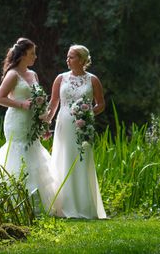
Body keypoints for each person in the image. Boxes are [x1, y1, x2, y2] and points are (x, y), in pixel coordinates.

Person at [0, 37, 58, 214]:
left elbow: (38, 102)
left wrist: (43, 124)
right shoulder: (13, 75)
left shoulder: (33, 75)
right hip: (17, 120)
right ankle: (15, 205)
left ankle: (37, 206)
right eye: (32, 53)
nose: (35, 57)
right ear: (23, 55)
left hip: (32, 120)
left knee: (34, 153)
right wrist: (21, 104)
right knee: (19, 154)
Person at [45, 44, 107, 219]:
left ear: (81, 60)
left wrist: (88, 113)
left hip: (83, 127)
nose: (67, 60)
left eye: (71, 57)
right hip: (64, 125)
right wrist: (46, 124)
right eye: (67, 56)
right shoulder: (60, 78)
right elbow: (54, 103)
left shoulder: (92, 80)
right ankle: (62, 207)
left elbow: (101, 104)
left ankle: (83, 207)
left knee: (81, 161)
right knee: (63, 160)